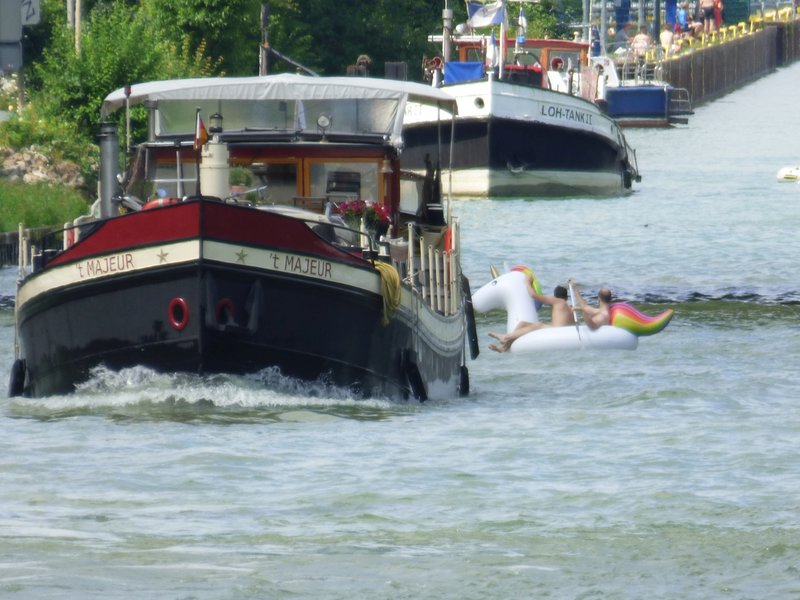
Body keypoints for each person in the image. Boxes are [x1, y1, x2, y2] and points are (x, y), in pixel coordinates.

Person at [488, 283, 576, 353]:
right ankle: (504, 347)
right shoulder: (569, 306)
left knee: (539, 324)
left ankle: (506, 337)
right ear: (567, 297)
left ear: (554, 296)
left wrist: (527, 282)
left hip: (559, 331)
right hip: (564, 330)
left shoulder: (558, 301)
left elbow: (533, 295)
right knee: (522, 324)